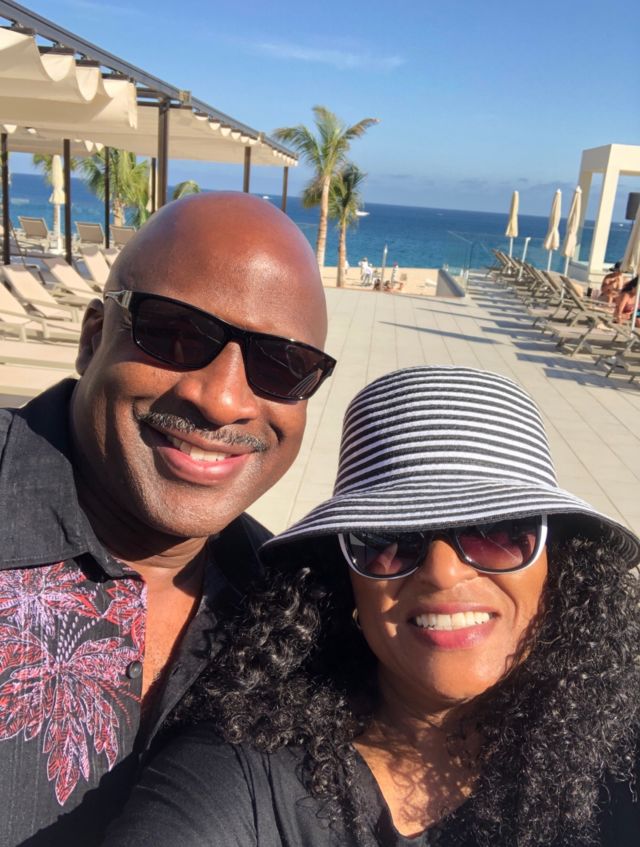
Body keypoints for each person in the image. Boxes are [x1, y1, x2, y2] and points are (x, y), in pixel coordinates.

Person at [104, 366, 640, 847]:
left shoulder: (620, 758)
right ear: (345, 583)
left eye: (497, 533)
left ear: (558, 566)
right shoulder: (242, 777)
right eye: (387, 540)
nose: (442, 572)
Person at [0, 193, 335, 847]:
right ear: (93, 337)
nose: (223, 400)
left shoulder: (290, 612)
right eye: (175, 334)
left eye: (281, 364)